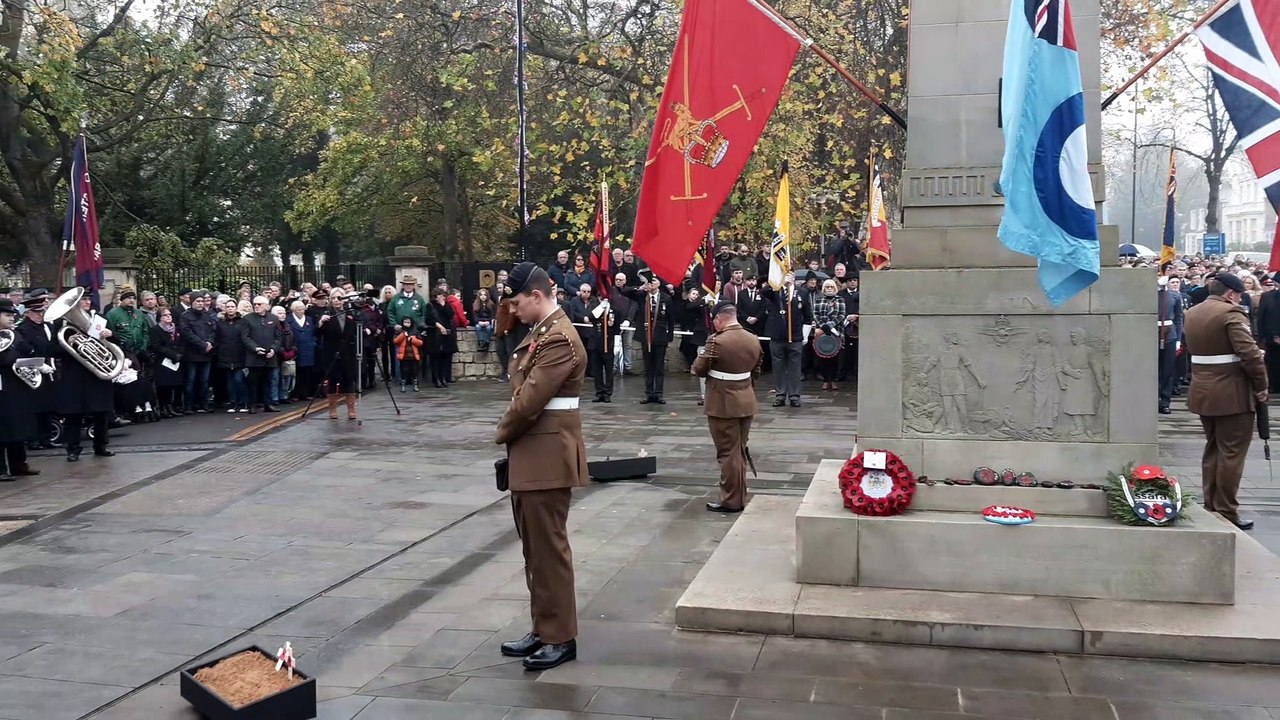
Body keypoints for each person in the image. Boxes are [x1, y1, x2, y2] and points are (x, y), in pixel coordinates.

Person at [495, 261, 588, 671]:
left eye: (517, 303)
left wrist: (501, 431)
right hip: (534, 453)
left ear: (536, 296)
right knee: (534, 548)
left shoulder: (559, 339)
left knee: (549, 550)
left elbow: (530, 399)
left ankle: (560, 636)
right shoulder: (542, 333)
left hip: (547, 454)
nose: (513, 311)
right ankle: (543, 626)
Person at [1183, 273, 1268, 530]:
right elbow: (1249, 355)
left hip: (1203, 391)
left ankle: (1211, 504)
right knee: (1231, 454)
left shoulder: (1194, 312)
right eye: (1239, 294)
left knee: (1213, 450)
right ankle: (1227, 510)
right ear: (1231, 293)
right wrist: (1261, 386)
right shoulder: (1231, 314)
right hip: (1232, 394)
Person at [692, 301, 762, 512]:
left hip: (723, 403)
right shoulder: (753, 338)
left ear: (719, 319)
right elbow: (757, 370)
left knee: (727, 452)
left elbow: (699, 369)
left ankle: (731, 500)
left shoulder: (716, 341)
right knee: (739, 449)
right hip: (746, 399)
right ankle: (739, 495)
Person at [52, 289, 116, 462]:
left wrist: (110, 335)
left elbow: (114, 344)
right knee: (73, 414)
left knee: (101, 412)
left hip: (96, 373)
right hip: (74, 374)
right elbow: (51, 350)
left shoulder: (100, 320)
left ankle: (101, 446)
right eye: (83, 300)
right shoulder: (61, 324)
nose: (87, 302)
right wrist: (68, 344)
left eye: (88, 299)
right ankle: (73, 449)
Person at [0, 298, 41, 480]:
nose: (11, 318)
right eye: (7, 315)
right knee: (3, 429)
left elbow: (28, 351)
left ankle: (19, 465)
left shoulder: (15, 334)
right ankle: (1, 469)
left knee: (18, 426)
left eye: (12, 315)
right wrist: (16, 354)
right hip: (2, 386)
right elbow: (5, 360)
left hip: (17, 385)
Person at [761, 271, 813, 407]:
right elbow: (764, 291)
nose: (788, 277)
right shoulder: (775, 291)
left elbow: (808, 316)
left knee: (795, 367)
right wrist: (779, 284)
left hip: (795, 336)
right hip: (777, 336)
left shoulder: (802, 292)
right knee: (778, 367)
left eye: (790, 275)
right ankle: (780, 394)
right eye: (785, 274)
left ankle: (795, 396)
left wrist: (805, 335)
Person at [626, 277, 674, 404]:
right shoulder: (642, 296)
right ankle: (649, 393)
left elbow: (670, 319)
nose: (651, 284)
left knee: (659, 366)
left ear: (658, 284)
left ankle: (658, 393)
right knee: (648, 367)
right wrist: (640, 288)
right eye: (649, 281)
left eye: (653, 281)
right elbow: (625, 292)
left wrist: (670, 337)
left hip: (660, 336)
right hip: (646, 336)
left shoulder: (665, 298)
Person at [317, 289, 361, 420]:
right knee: (332, 380)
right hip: (332, 352)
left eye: (339, 297)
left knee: (349, 379)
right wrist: (320, 323)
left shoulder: (350, 314)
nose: (336, 300)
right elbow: (317, 333)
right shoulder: (327, 314)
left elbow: (357, 330)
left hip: (348, 352)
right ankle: (332, 408)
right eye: (334, 298)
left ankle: (351, 408)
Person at [241, 295, 283, 413]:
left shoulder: (274, 318)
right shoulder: (247, 318)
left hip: (270, 355)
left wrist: (273, 349)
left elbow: (278, 337)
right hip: (254, 355)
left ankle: (268, 404)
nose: (257, 306)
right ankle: (253, 404)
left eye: (259, 304)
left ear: (266, 306)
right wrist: (255, 348)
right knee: (253, 382)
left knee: (268, 381)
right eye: (255, 304)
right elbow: (245, 337)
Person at [1157, 275, 1184, 415]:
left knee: (1167, 370)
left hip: (1169, 334)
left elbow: (1179, 318)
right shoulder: (1151, 294)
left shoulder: (1174, 296)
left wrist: (1178, 339)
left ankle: (1165, 401)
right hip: (1153, 333)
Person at [392, 317, 423, 392]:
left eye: (408, 322)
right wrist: (402, 335)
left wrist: (412, 339)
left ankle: (415, 385)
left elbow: (420, 342)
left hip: (413, 355)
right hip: (404, 355)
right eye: (405, 322)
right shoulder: (399, 331)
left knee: (414, 370)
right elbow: (395, 341)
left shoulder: (415, 331)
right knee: (404, 370)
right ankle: (403, 385)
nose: (406, 324)